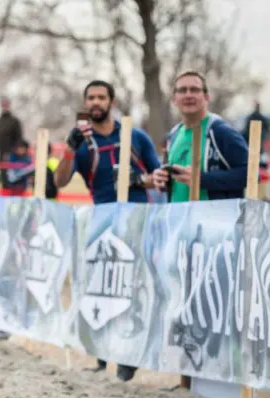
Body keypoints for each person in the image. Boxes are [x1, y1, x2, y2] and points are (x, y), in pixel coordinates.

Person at [54, 79, 167, 382]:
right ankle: (103, 357)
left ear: (112, 102)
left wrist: (137, 181)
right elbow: (60, 182)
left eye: (101, 97)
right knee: (100, 287)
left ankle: (129, 358)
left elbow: (157, 177)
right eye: (90, 97)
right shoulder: (81, 143)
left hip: (136, 221)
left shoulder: (136, 137)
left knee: (132, 287)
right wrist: (68, 149)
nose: (95, 102)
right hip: (100, 222)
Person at [157, 70, 249, 202]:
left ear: (207, 97)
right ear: (174, 99)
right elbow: (178, 181)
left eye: (194, 90)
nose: (188, 95)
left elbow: (251, 174)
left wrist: (202, 179)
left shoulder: (221, 132)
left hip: (214, 220)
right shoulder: (173, 135)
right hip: (178, 220)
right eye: (182, 90)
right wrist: (162, 179)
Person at [0, 96, 23, 162]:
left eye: (6, 104)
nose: (4, 106)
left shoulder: (15, 121)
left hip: (9, 155)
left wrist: (11, 152)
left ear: (9, 105)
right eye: (3, 104)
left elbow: (19, 138)